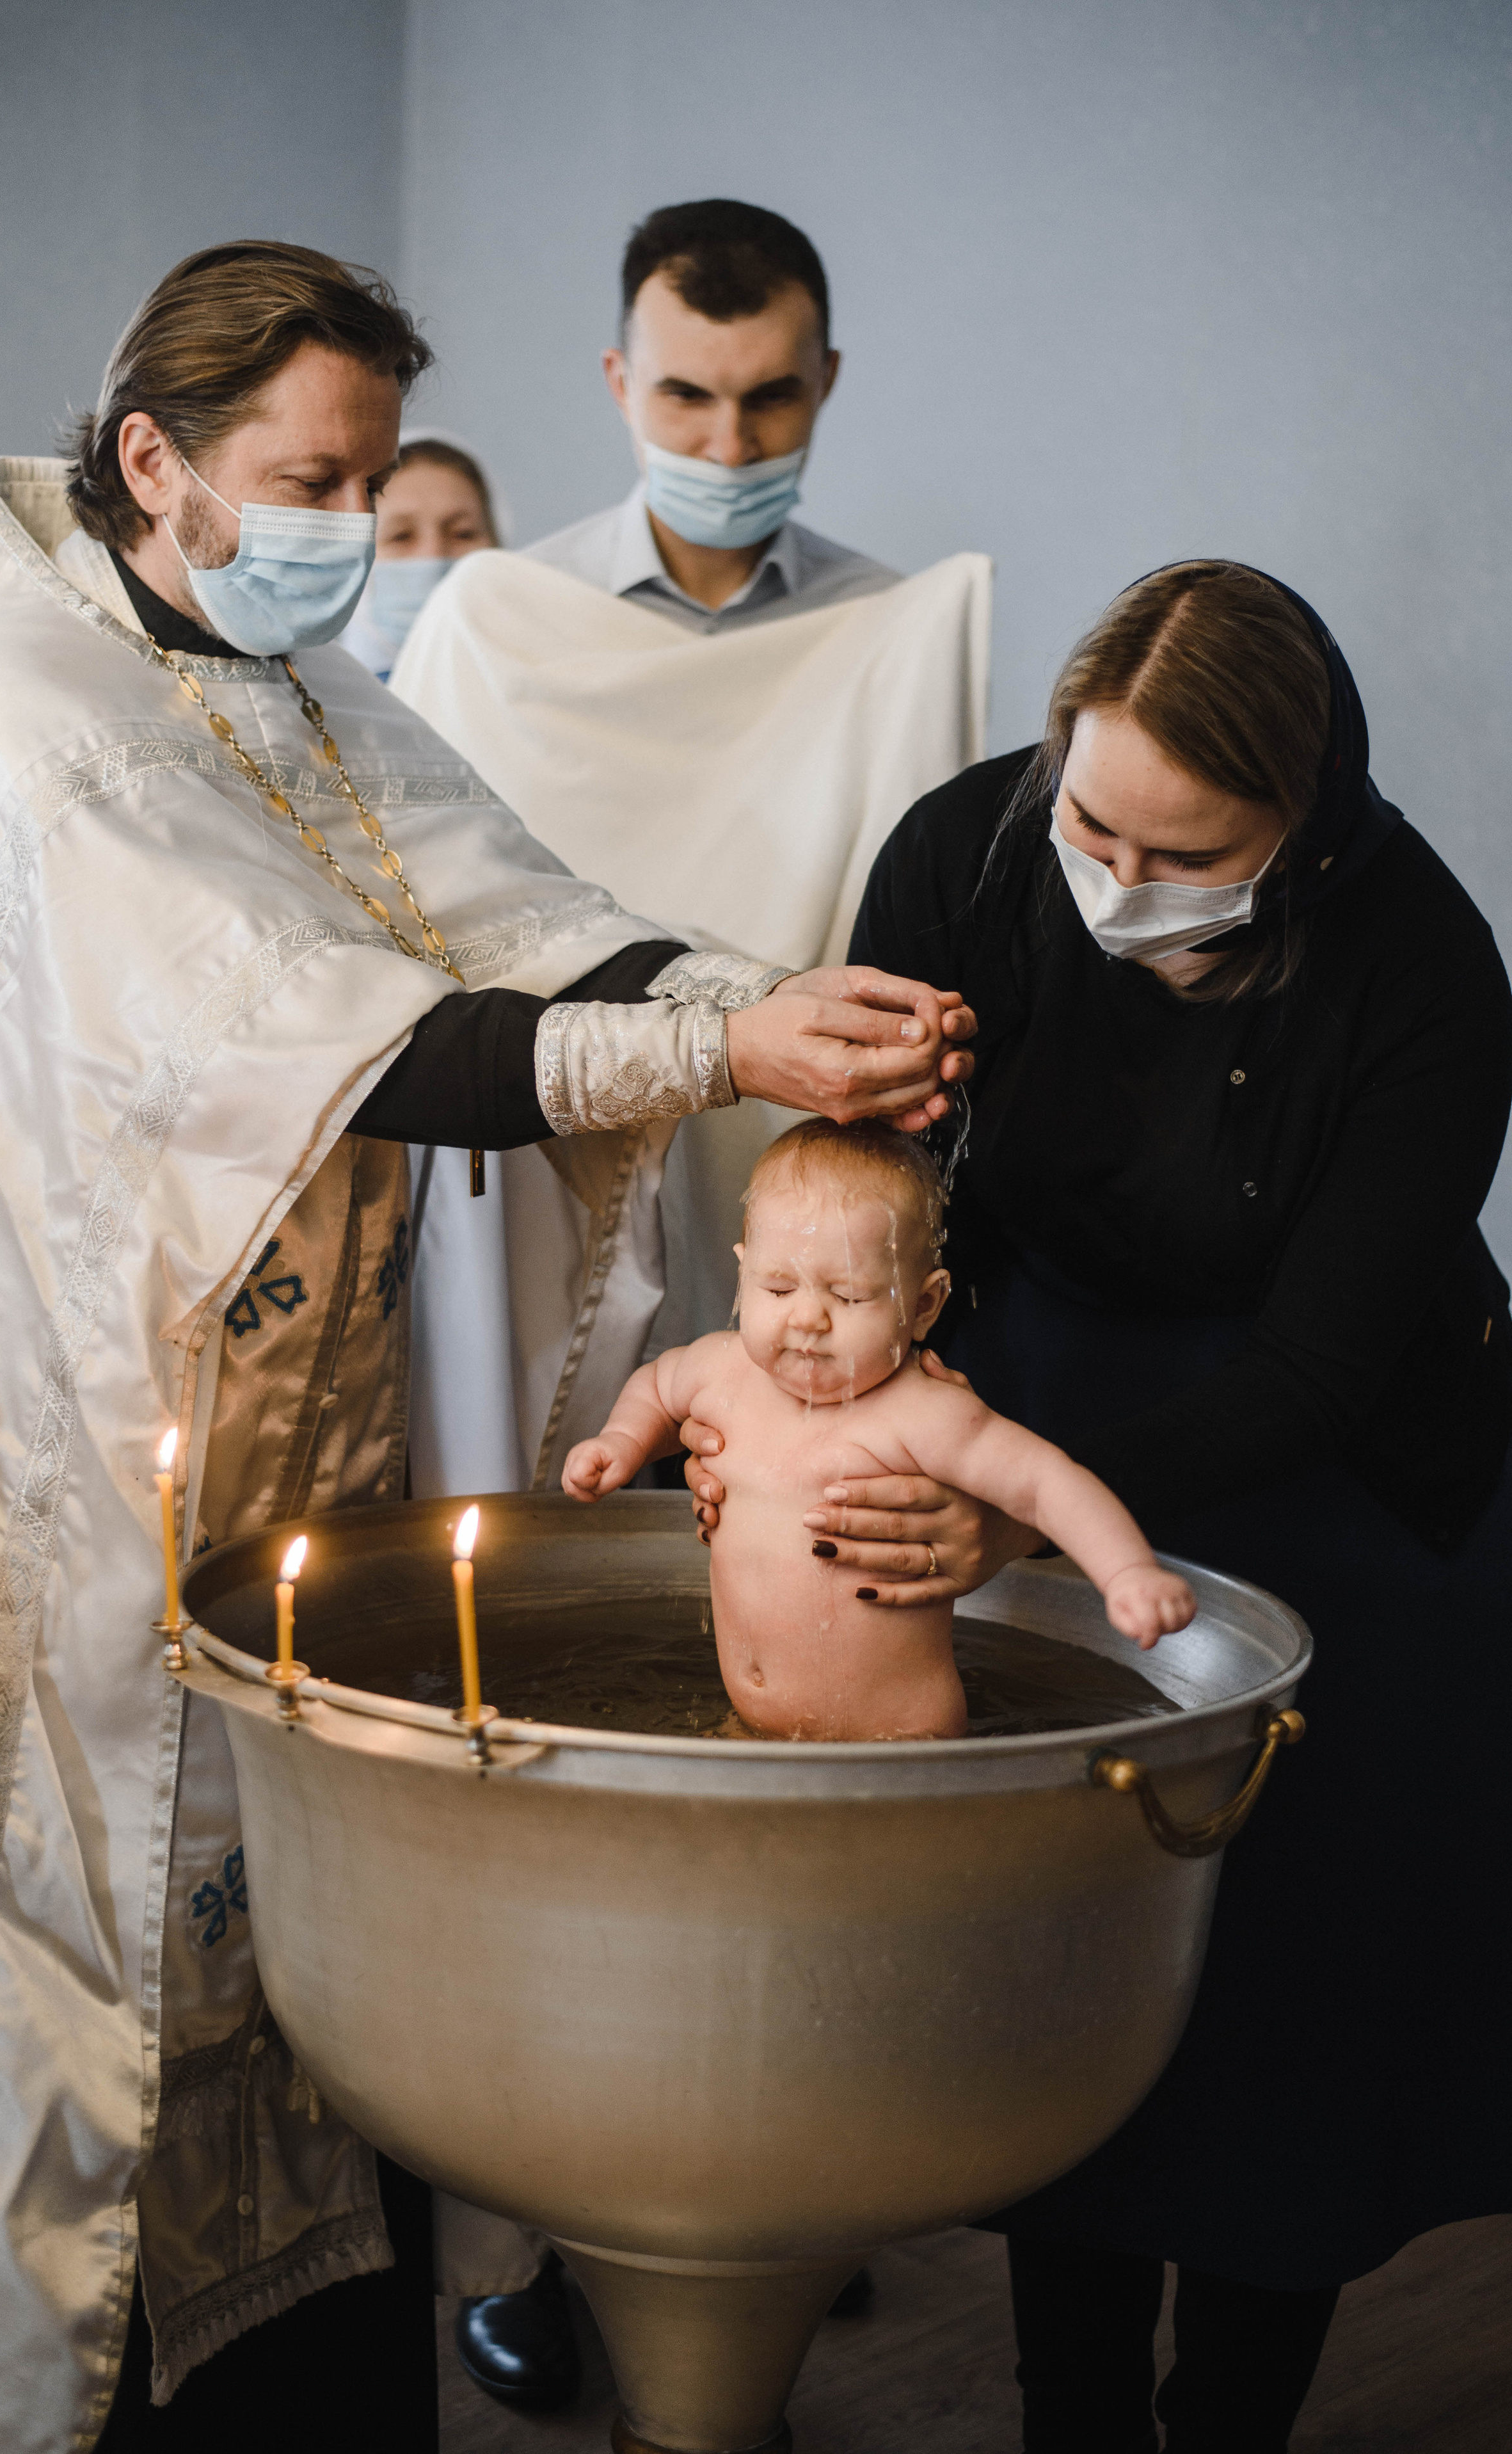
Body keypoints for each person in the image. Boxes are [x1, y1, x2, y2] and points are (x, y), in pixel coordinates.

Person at [0, 238, 973, 2454]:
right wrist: (711, 1039)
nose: (343, 532)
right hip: (81, 1467)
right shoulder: (23, 722)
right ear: (152, 456)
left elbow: (510, 909)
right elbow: (351, 1038)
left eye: (369, 485)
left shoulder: (270, 666)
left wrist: (767, 1000)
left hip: (295, 1439)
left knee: (311, 1968)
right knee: (94, 1996)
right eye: (308, 478)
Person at [690, 560, 1512, 2450]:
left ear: (1302, 835)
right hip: (1036, 1407)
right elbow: (884, 1208)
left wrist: (1043, 1517)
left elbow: (1316, 1371)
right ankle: (1073, 2411)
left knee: (1277, 2000)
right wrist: (815, 1385)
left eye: (1185, 852)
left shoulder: (1428, 974)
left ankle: (1228, 2415)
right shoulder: (964, 857)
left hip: (1345, 1474)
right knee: (1063, 1957)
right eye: (1090, 823)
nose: (1119, 885)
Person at [388, 197, 992, 1508]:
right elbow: (431, 929)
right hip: (542, 1171)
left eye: (771, 398)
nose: (727, 445)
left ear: (826, 380)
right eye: (684, 399)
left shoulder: (899, 639)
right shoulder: (495, 625)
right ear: (618, 381)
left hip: (805, 1188)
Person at [564, 1119, 1193, 1740]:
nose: (808, 1317)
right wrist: (621, 1441)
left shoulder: (922, 1414)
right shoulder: (719, 1370)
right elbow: (655, 1385)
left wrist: (1126, 1572)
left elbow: (1044, 1483)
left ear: (923, 1306)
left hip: (897, 1745)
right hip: (751, 1730)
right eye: (778, 1287)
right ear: (742, 1272)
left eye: (850, 1296)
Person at [340, 428, 502, 682]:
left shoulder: (544, 694)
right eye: (401, 536)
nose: (434, 555)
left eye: (463, 533)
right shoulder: (319, 710)